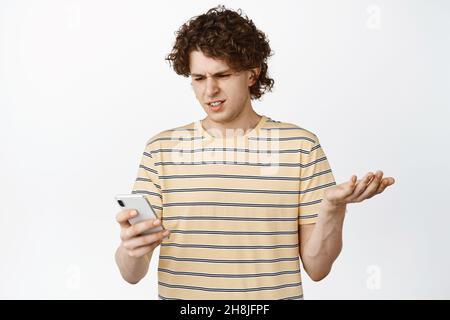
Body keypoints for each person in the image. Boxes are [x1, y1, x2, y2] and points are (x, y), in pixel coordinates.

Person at [114, 5, 395, 300]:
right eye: (198, 78)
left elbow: (318, 268)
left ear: (252, 73)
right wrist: (131, 249)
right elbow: (131, 273)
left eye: (222, 75)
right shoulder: (161, 149)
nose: (209, 90)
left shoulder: (300, 147)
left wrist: (332, 208)